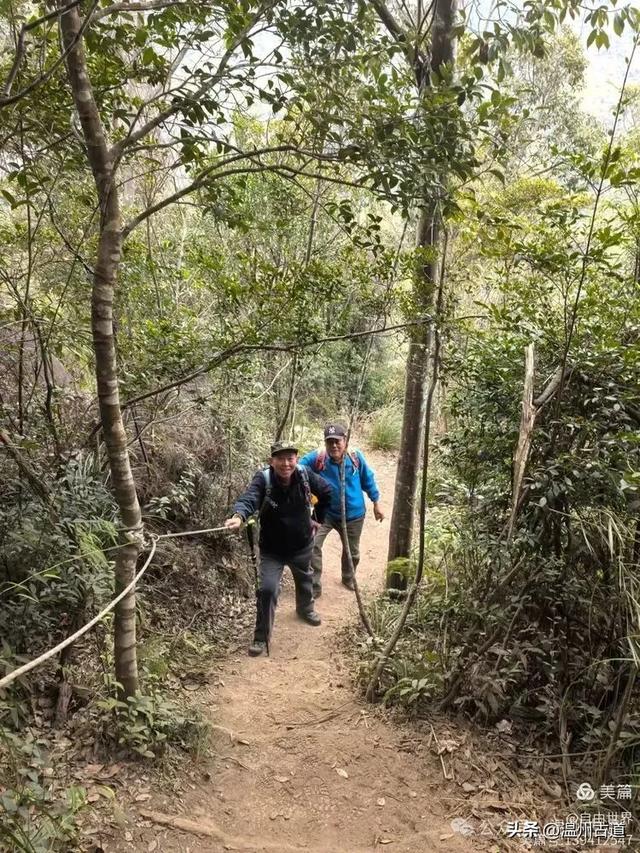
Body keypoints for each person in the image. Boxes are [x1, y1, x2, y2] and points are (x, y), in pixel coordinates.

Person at [224, 440, 332, 657]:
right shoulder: (263, 479)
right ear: (271, 461)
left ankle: (306, 609)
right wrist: (239, 516)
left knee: (305, 578)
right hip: (272, 550)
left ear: (296, 459)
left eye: (290, 458)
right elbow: (250, 498)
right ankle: (261, 637)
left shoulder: (304, 475)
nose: (286, 463)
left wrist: (317, 518)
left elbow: (327, 492)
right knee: (267, 589)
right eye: (280, 458)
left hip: (302, 544)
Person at [299, 423, 384, 596]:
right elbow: (299, 466)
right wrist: (311, 484)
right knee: (313, 544)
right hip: (326, 513)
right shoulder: (319, 457)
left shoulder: (355, 457)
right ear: (325, 443)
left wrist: (376, 502)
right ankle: (314, 586)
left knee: (352, 552)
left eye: (337, 441)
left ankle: (347, 576)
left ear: (345, 441)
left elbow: (368, 480)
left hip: (354, 514)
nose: (334, 446)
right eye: (330, 442)